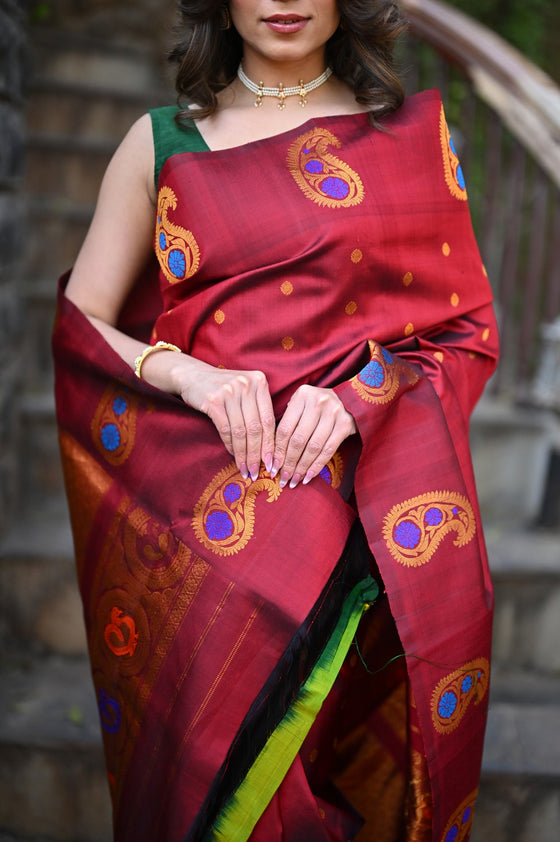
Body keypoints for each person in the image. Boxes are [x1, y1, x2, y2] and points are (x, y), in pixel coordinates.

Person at [53, 2, 499, 840]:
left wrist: (366, 394)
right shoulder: (162, 144)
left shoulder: (408, 141)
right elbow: (84, 330)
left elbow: (464, 334)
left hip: (377, 541)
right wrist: (189, 374)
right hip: (212, 553)